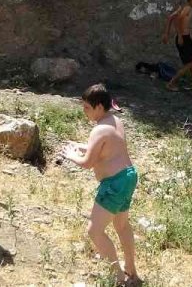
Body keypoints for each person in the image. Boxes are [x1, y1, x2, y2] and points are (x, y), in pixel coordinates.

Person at [63, 84, 140, 287]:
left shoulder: (98, 130)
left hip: (114, 183)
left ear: (99, 107)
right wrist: (81, 146)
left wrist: (71, 155)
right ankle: (131, 269)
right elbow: (108, 148)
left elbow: (88, 163)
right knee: (121, 225)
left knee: (94, 231)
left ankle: (118, 277)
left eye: (87, 107)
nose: (84, 111)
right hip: (128, 176)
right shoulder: (115, 121)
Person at [162, 0, 192, 93]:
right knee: (189, 64)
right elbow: (177, 20)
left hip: (187, 38)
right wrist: (180, 36)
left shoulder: (183, 7)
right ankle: (171, 83)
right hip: (184, 39)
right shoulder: (187, 8)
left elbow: (171, 17)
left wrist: (166, 33)